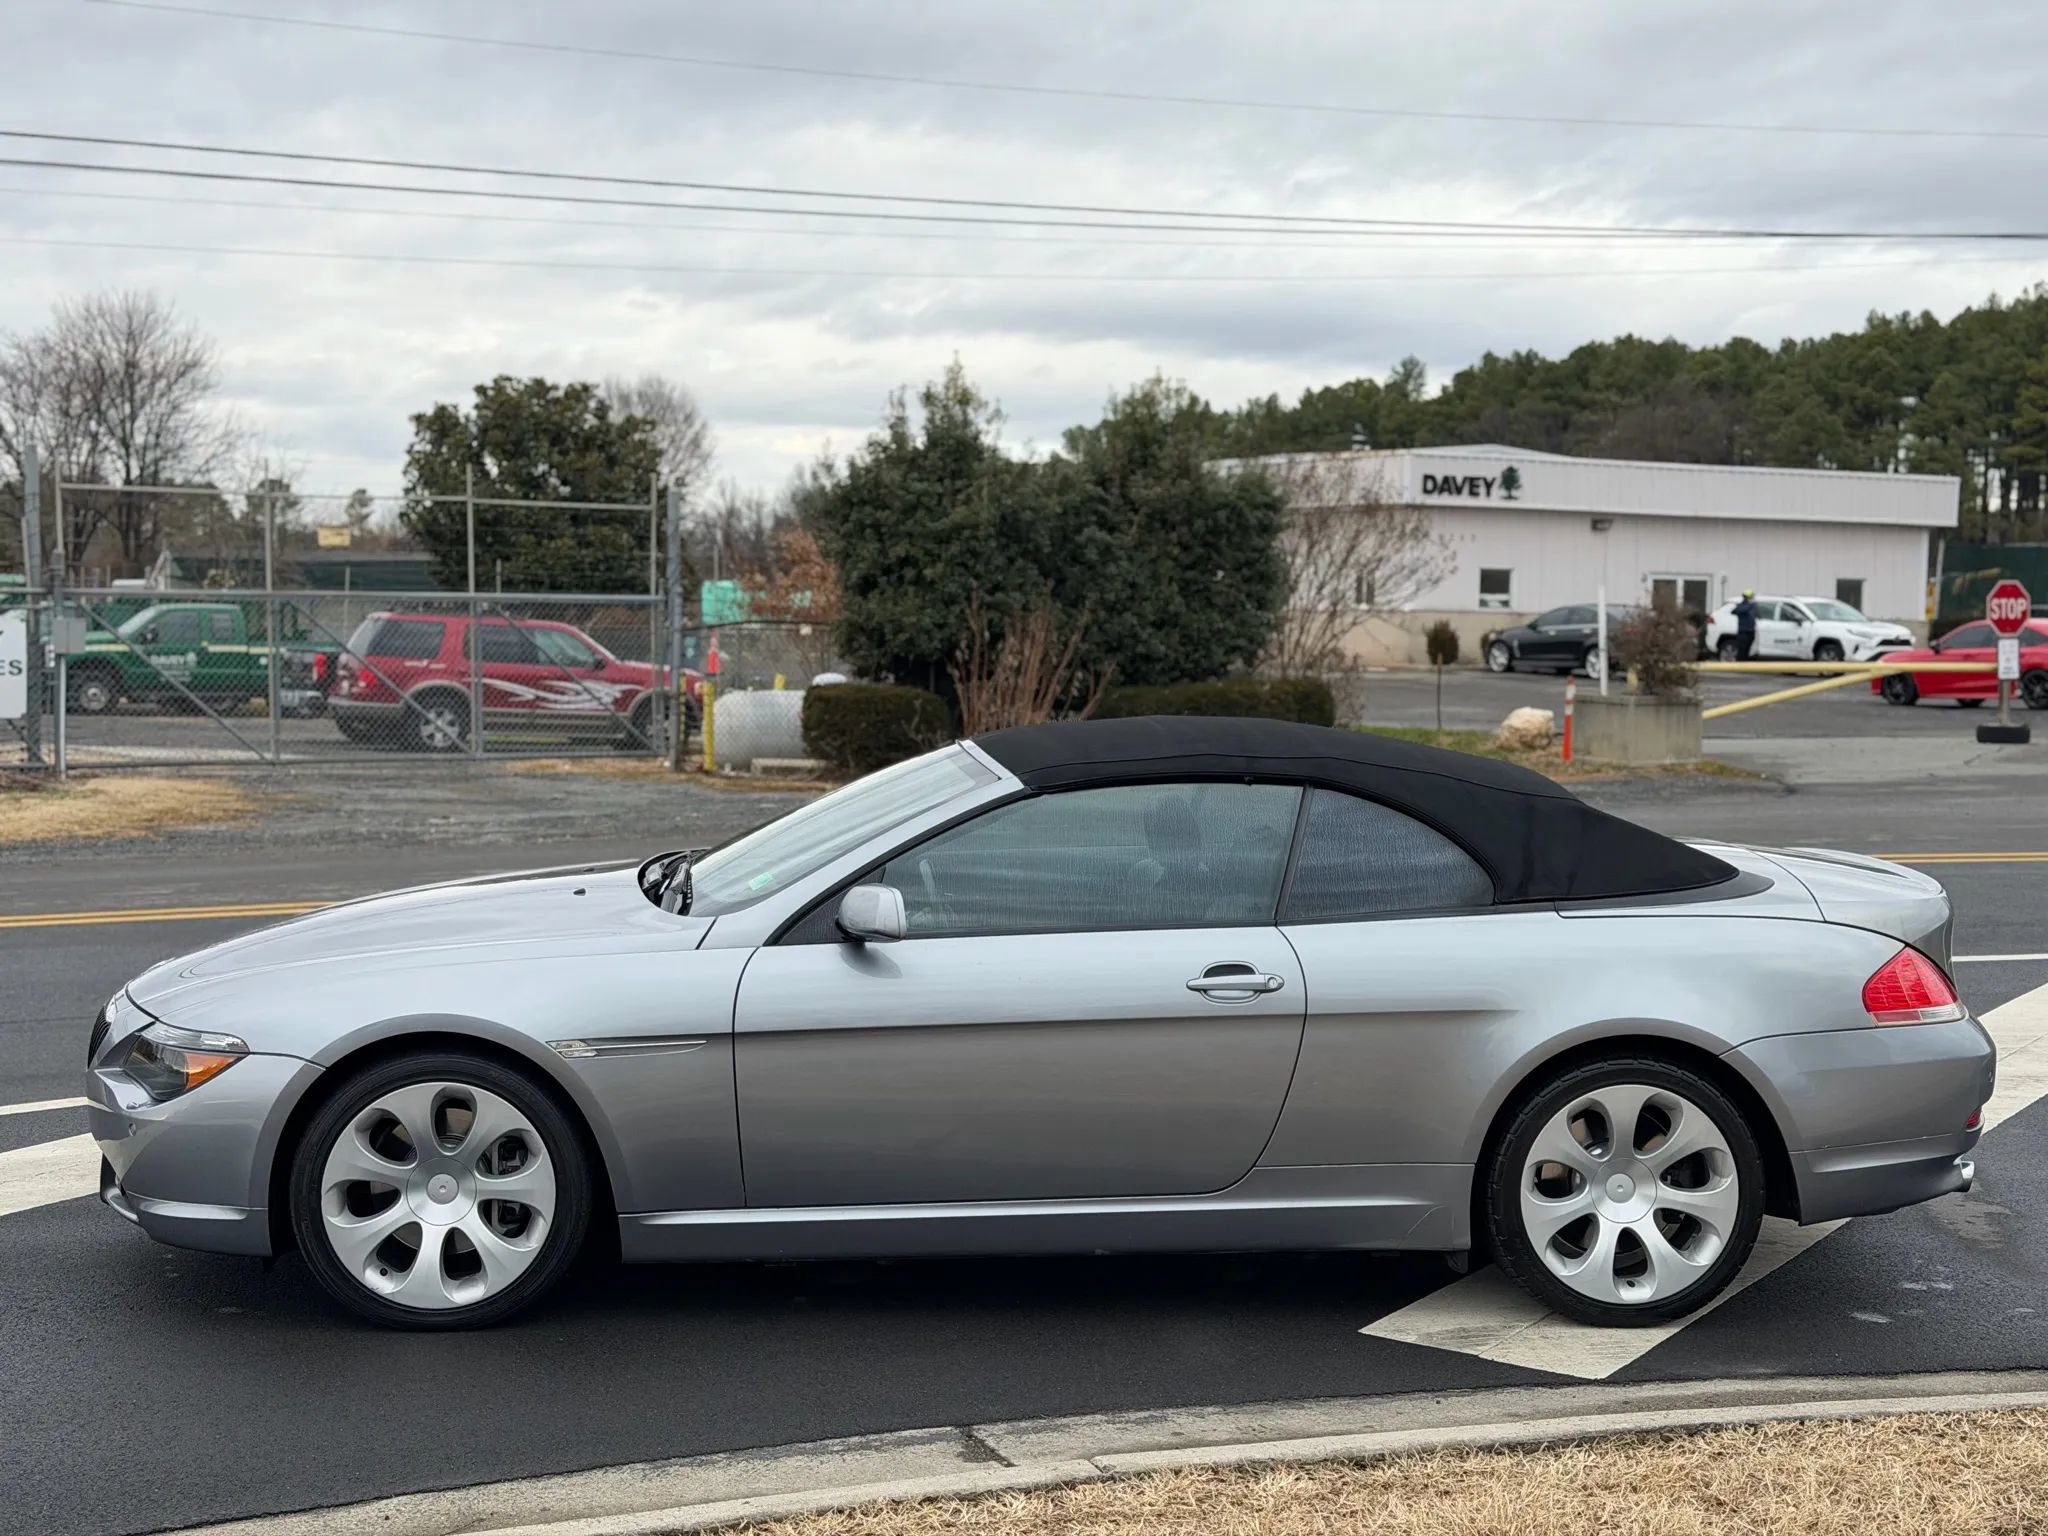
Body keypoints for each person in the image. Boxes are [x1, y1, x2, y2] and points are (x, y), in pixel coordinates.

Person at [1732, 589, 1759, 661]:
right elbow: (1737, 611)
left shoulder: (1752, 607)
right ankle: (1739, 666)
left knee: (1747, 651)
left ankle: (1744, 666)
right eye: (1752, 597)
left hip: (1751, 632)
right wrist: (1751, 605)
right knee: (1742, 651)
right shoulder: (1742, 606)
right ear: (1747, 598)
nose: (1753, 598)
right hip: (1743, 632)